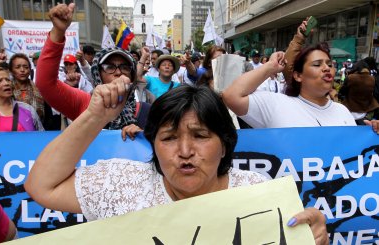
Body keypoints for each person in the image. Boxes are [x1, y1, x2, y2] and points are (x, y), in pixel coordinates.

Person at [25, 85, 328, 244]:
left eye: (199, 136)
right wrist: (95, 117)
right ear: (153, 144)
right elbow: (42, 186)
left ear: (224, 143)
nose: (185, 151)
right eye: (169, 138)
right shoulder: (120, 184)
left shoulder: (259, 195)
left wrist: (311, 239)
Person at [223, 19, 379, 132]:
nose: (326, 68)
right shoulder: (276, 105)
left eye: (330, 64)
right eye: (317, 64)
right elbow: (231, 96)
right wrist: (270, 67)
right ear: (298, 76)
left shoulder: (343, 112)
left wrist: (371, 134)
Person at [36, 3, 148, 132]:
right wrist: (58, 32)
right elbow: (45, 84)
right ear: (98, 74)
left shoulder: (146, 111)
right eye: (110, 67)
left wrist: (143, 136)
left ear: (132, 75)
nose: (118, 72)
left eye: (125, 67)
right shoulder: (85, 104)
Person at [0, 66, 44, 131]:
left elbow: (41, 135)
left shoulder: (27, 109)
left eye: (8, 80)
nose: (6, 83)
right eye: (0, 81)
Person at [339, 60, 379, 124]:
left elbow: (342, 92)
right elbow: (374, 93)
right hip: (366, 111)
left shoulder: (351, 78)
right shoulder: (372, 79)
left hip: (350, 110)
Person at [9, 53, 45, 121]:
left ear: (29, 70)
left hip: (36, 129)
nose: (22, 70)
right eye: (18, 67)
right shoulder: (6, 90)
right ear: (11, 71)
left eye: (26, 67)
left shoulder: (39, 89)